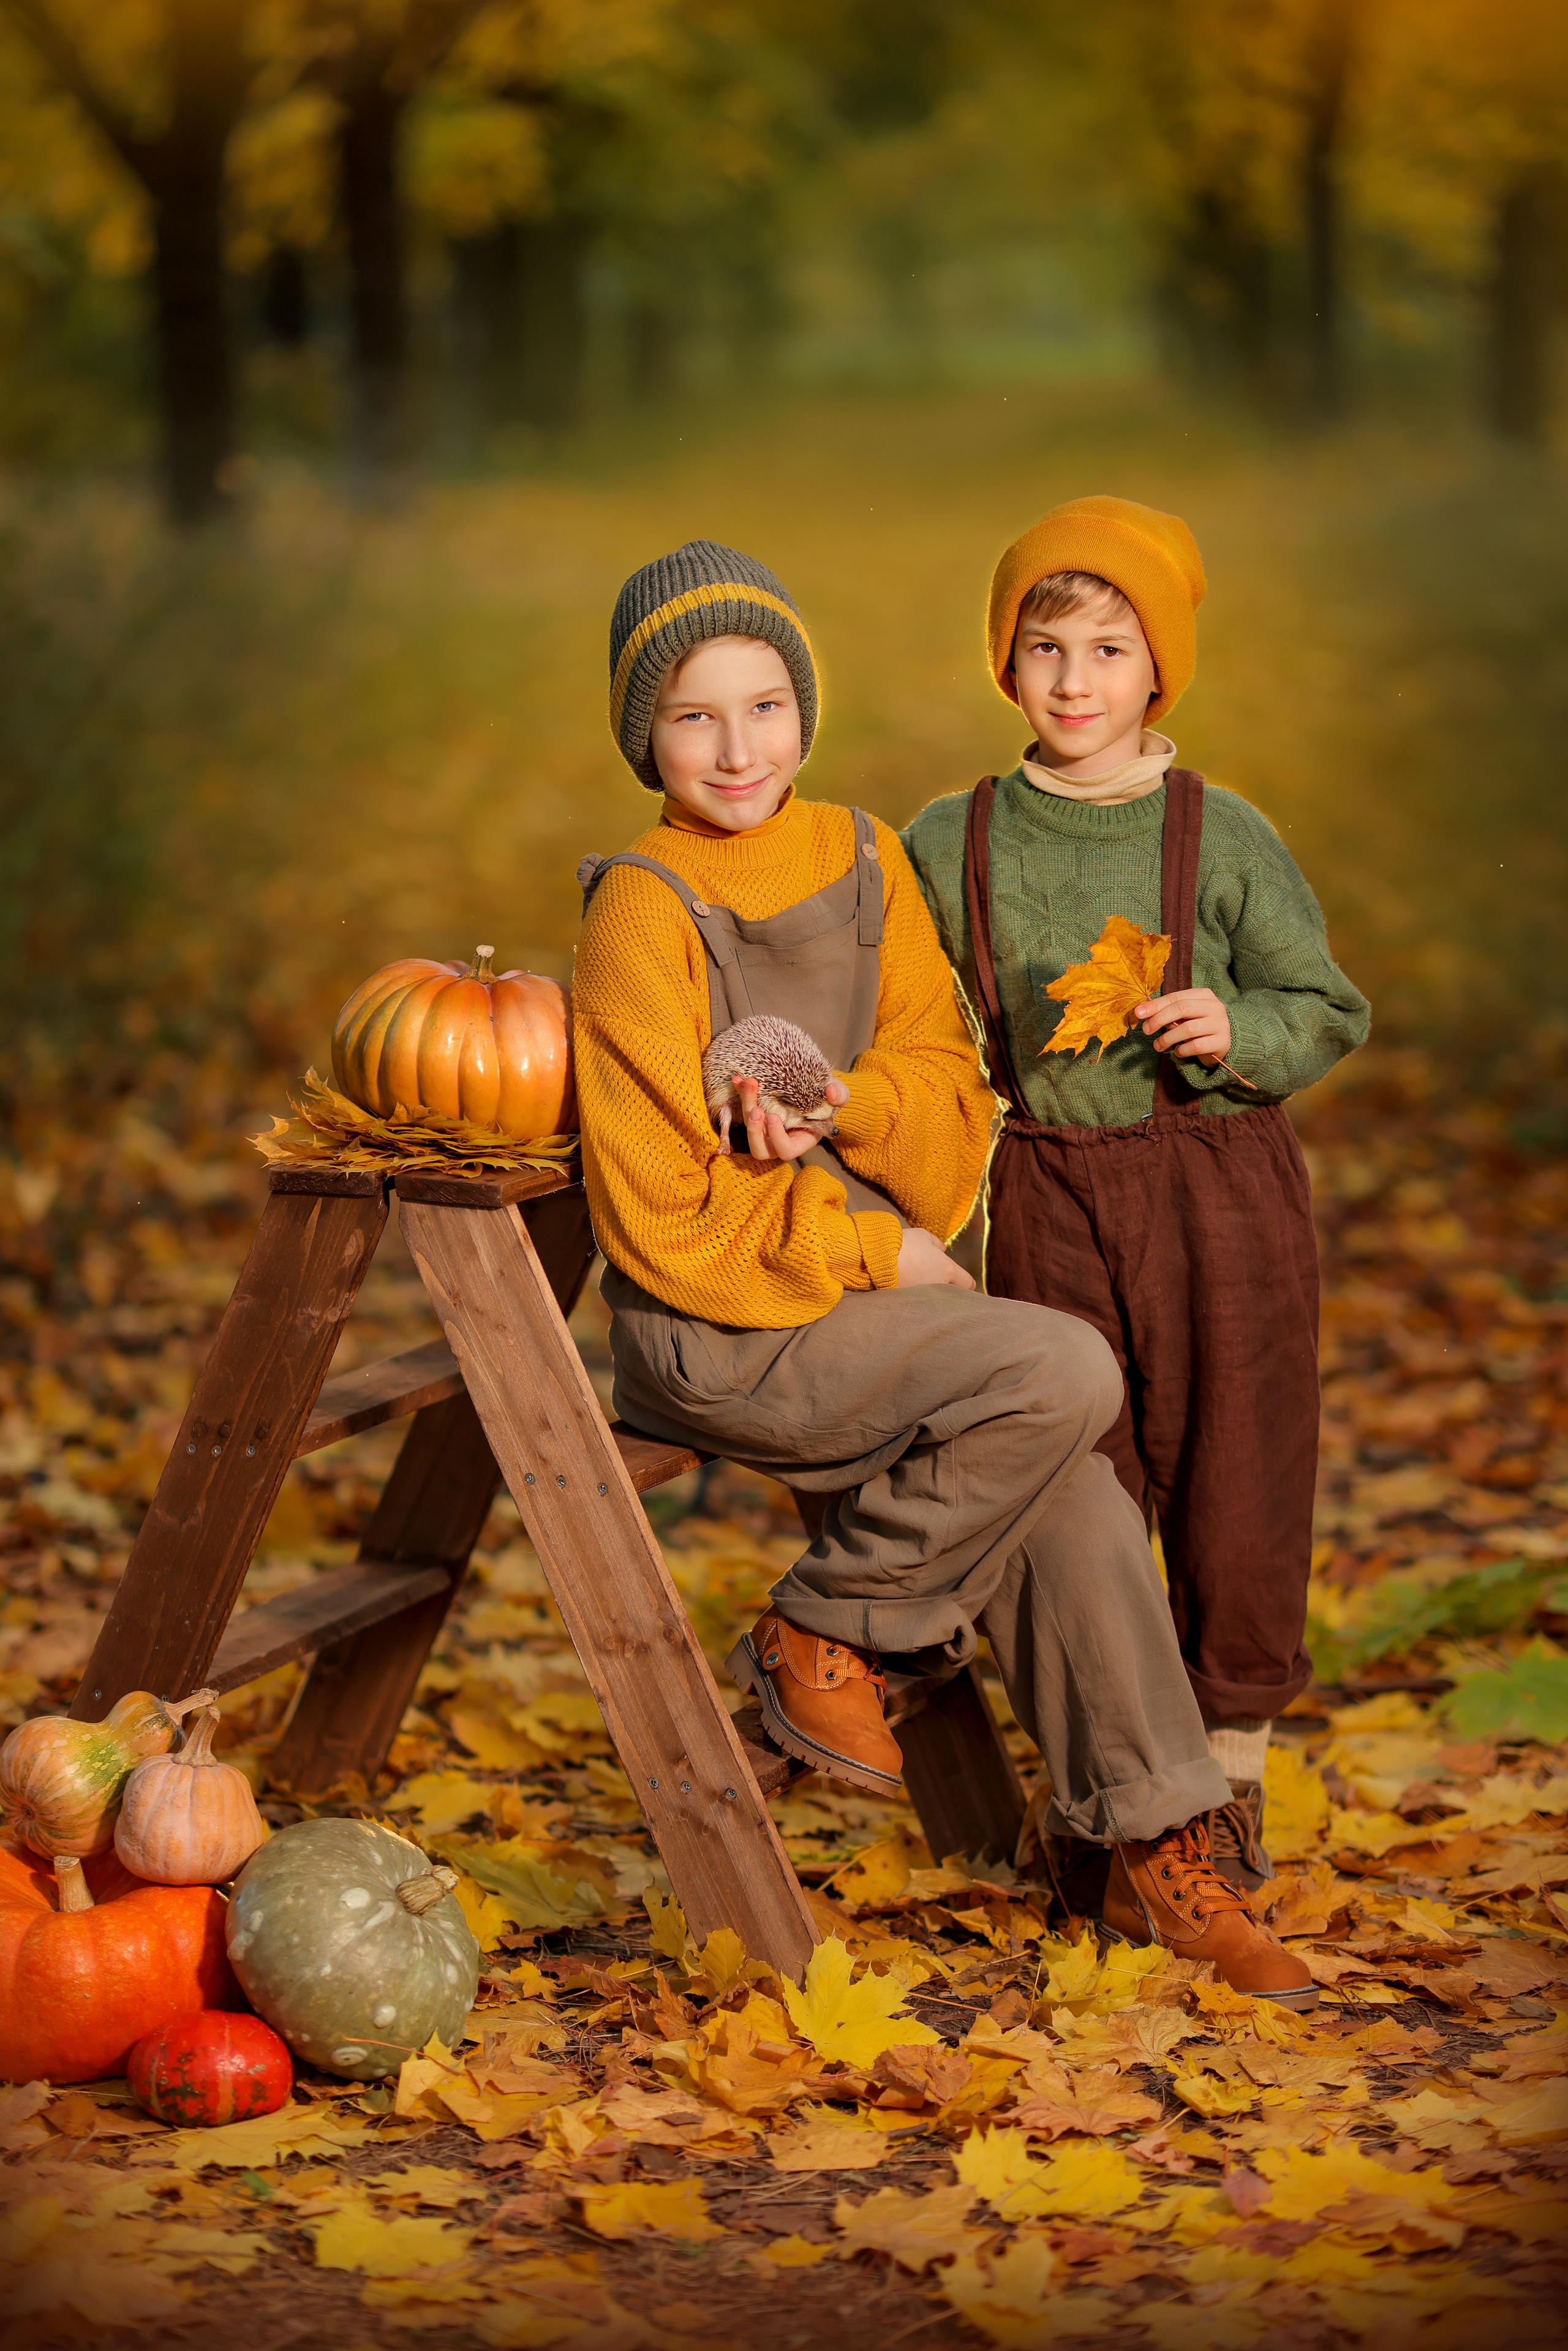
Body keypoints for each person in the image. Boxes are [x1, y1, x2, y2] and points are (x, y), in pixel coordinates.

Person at [572, 534, 1316, 2004]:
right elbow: (660, 1208)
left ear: (806, 706)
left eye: (766, 703)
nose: (737, 748)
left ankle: (1155, 1849)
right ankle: (828, 1625)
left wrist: (850, 1111)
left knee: (1072, 1483)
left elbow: (945, 1084)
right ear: (643, 735)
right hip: (722, 1319)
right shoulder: (641, 909)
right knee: (1060, 1365)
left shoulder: (858, 852)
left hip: (868, 1304)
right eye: (693, 716)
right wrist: (868, 1240)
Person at [900, 495, 1370, 1899]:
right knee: (1073, 1492)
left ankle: (1225, 1779)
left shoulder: (1217, 834)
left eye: (1108, 649)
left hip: (1214, 1187)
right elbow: (914, 1028)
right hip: (1040, 1187)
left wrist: (1241, 1030)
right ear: (1005, 663)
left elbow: (1323, 1003)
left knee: (1235, 1470)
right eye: (1044, 646)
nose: (1073, 680)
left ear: (1156, 668)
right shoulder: (954, 836)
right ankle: (1117, 1794)